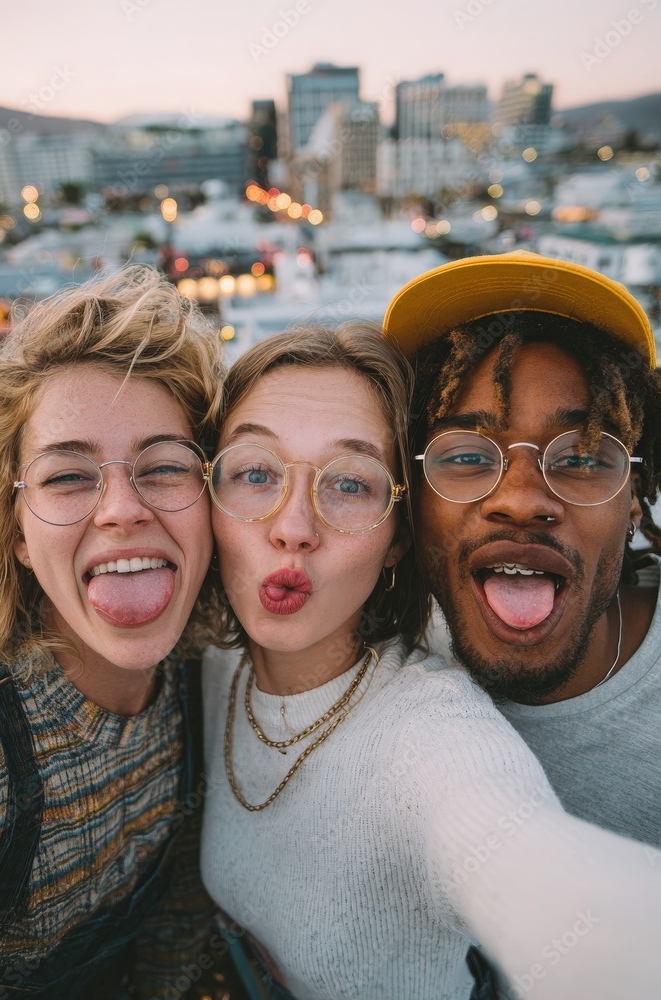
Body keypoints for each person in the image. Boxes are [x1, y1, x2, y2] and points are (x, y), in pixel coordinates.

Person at [199, 323, 661, 1000]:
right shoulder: (205, 659)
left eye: (349, 483)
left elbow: (537, 871)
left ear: (397, 535)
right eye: (255, 473)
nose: (292, 527)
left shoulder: (432, 730)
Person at [0, 266, 226, 999]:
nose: (121, 509)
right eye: (67, 477)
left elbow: (176, 932)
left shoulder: (199, 684)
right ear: (19, 534)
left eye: (164, 467)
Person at [384, 250, 661, 853]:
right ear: (413, 499)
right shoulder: (373, 649)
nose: (521, 500)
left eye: (581, 457)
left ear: (634, 501)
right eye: (466, 455)